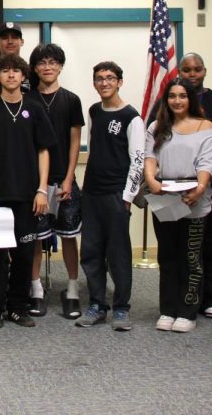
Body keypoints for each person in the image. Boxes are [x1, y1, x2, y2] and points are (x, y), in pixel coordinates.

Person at [0, 54, 53, 328]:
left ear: (23, 76)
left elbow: (44, 150)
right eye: (5, 71)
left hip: (28, 196)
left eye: (16, 71)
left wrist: (42, 190)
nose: (11, 75)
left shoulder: (34, 108)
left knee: (23, 254)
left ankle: (17, 307)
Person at [143, 77, 212, 333]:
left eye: (182, 96)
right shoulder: (157, 126)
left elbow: (207, 163)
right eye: (172, 96)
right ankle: (168, 309)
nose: (177, 101)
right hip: (165, 197)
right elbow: (150, 157)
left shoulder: (205, 127)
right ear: (166, 99)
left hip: (194, 201)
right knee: (168, 254)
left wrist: (199, 189)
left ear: (191, 99)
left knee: (191, 257)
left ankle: (188, 311)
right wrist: (151, 180)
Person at [77, 61, 144, 331]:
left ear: (119, 82)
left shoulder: (132, 117)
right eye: (99, 79)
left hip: (117, 195)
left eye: (110, 78)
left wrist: (127, 197)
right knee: (91, 251)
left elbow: (137, 160)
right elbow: (94, 148)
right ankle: (97, 305)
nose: (104, 83)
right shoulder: (94, 111)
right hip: (92, 193)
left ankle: (121, 308)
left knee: (118, 253)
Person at [26, 42, 85, 319]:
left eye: (53, 62)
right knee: (36, 237)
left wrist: (70, 177)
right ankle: (36, 289)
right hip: (35, 183)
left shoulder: (71, 100)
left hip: (64, 179)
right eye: (41, 63)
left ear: (60, 66)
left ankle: (72, 290)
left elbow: (75, 140)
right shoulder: (27, 100)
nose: (47, 67)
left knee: (70, 237)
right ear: (34, 68)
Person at [175, 53, 212, 318]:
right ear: (179, 71)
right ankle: (183, 295)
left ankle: (209, 295)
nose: (192, 74)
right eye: (187, 69)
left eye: (197, 69)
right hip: (176, 188)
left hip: (209, 188)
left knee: (209, 244)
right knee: (180, 246)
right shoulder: (170, 101)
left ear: (205, 71)